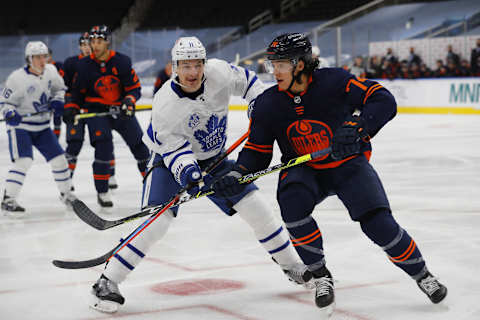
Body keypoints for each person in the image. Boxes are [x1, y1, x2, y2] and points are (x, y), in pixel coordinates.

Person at [212, 33, 448, 313]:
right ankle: (321, 276)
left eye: (280, 64)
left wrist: (359, 127)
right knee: (293, 207)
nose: (274, 71)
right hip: (303, 168)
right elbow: (258, 152)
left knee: (379, 224)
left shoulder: (335, 81)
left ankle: (423, 275)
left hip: (348, 164)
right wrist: (238, 173)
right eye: (272, 64)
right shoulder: (268, 104)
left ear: (300, 64)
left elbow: (383, 100)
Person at [89, 36, 309, 313]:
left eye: (197, 65)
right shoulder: (165, 104)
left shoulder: (219, 72)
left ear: (204, 64)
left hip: (215, 161)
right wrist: (189, 173)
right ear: (174, 67)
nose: (192, 72)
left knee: (257, 208)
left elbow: (250, 83)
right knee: (156, 223)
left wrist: (257, 106)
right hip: (169, 165)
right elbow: (172, 150)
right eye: (185, 66)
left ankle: (292, 266)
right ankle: (107, 282)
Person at [64, 25, 149, 207]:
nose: (95, 45)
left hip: (120, 110)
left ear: (107, 42)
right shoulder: (84, 66)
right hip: (97, 112)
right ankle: (103, 192)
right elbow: (77, 94)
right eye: (92, 41)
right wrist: (71, 107)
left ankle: (152, 184)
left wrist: (129, 100)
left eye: (99, 41)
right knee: (103, 149)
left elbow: (134, 87)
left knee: (140, 147)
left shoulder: (122, 62)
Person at [0, 41, 77, 216]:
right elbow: (4, 101)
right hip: (21, 127)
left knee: (59, 159)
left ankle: (67, 195)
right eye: (38, 57)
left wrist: (58, 101)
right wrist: (10, 112)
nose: (42, 60)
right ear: (29, 59)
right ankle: (8, 200)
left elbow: (59, 89)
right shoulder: (16, 78)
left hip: (42, 126)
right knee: (23, 161)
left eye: (44, 56)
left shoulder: (51, 71)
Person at [62, 32, 118, 190]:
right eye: (84, 44)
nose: (87, 48)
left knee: (104, 141)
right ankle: (66, 179)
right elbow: (65, 87)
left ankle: (110, 174)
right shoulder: (71, 63)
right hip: (77, 108)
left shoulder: (101, 63)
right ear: (80, 46)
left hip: (96, 108)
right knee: (74, 143)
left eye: (90, 44)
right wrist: (67, 106)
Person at [47, 48, 65, 139]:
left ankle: (56, 135)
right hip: (44, 97)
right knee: (44, 117)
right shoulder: (37, 68)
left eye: (47, 55)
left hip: (57, 95)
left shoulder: (58, 65)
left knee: (57, 116)